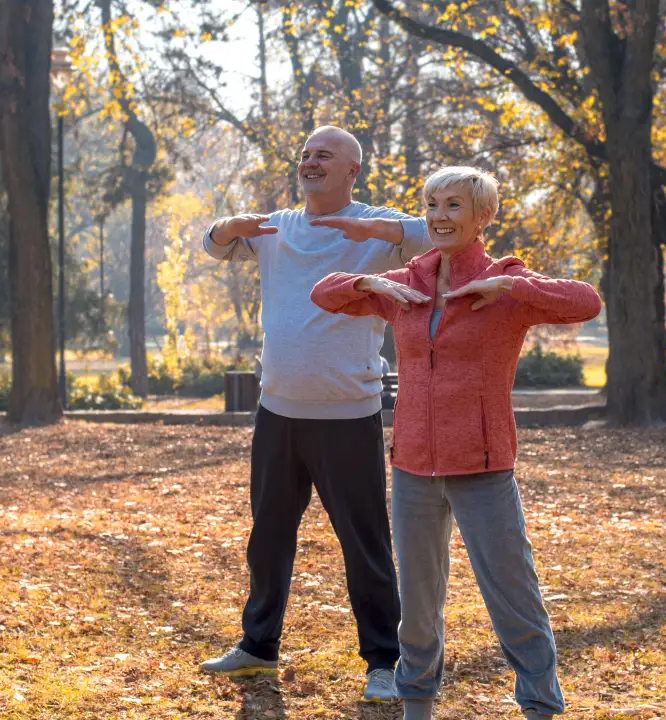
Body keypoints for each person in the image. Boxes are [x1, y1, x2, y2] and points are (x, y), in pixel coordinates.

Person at [309, 166, 602, 720]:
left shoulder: (505, 283)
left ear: (481, 217)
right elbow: (323, 293)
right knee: (418, 604)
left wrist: (513, 286)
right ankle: (417, 703)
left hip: (483, 467)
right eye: (432, 205)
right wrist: (369, 284)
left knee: (513, 595)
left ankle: (540, 704)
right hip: (413, 467)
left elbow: (585, 302)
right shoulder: (408, 283)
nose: (439, 217)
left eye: (453, 207)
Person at [197, 125, 432, 703]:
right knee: (268, 537)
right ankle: (257, 646)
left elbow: (441, 234)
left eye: (324, 154)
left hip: (348, 417)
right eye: (305, 154)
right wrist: (228, 227)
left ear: (353, 170)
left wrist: (373, 229)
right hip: (277, 412)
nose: (310, 161)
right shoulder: (277, 227)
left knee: (366, 544)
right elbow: (213, 245)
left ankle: (384, 662)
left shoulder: (381, 227)